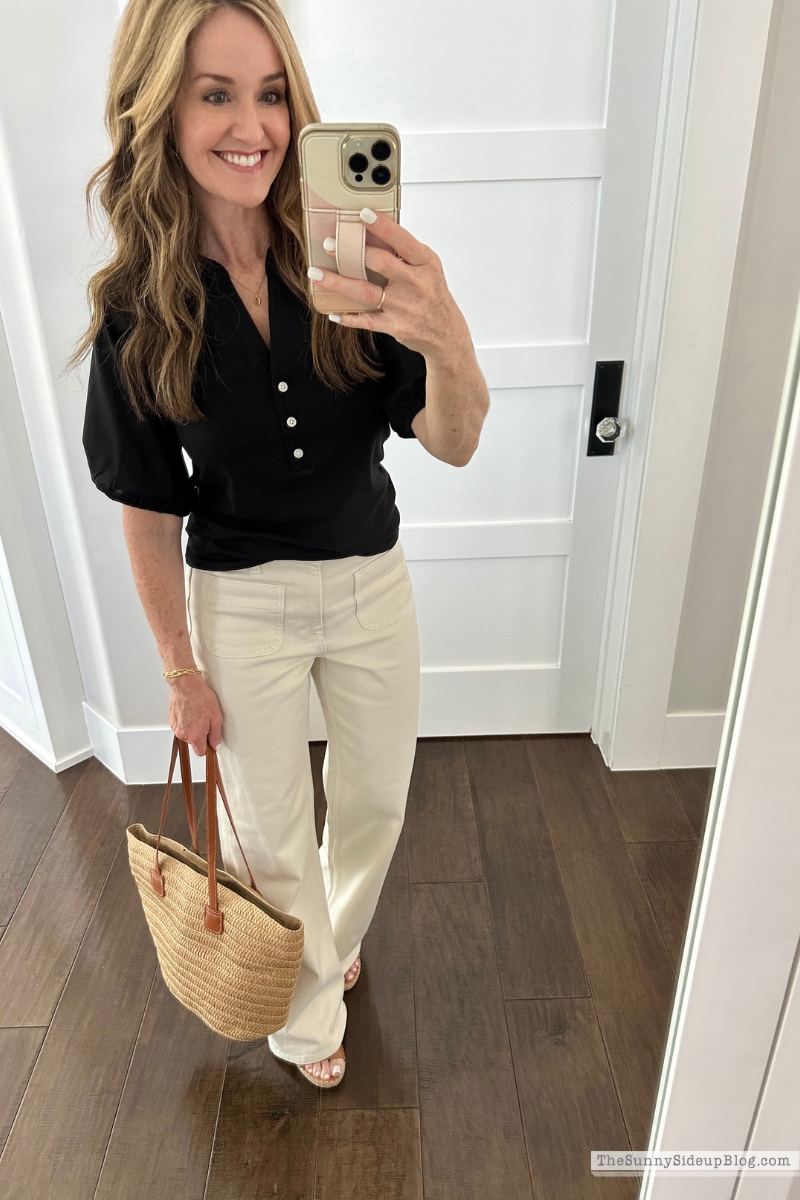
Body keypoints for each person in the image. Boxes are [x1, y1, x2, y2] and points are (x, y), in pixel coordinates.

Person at [73, 0, 489, 1089]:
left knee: (373, 808)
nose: (248, 124)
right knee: (268, 833)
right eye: (214, 94)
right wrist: (178, 669)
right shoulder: (136, 307)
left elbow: (450, 442)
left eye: (269, 94)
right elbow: (146, 506)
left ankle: (323, 948)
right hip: (240, 601)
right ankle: (306, 1018)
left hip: (368, 578)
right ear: (162, 113)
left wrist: (445, 337)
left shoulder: (350, 262)